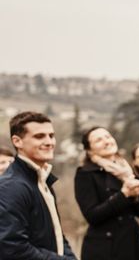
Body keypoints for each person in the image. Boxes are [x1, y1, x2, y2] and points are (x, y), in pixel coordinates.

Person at [0, 111, 77, 259]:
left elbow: (57, 235)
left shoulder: (42, 180)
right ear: (17, 141)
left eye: (51, 135)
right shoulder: (10, 187)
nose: (49, 142)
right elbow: (13, 248)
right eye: (39, 136)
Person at [75, 126, 139, 260]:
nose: (107, 141)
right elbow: (92, 216)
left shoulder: (126, 170)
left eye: (108, 136)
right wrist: (124, 194)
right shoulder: (85, 174)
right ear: (89, 150)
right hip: (105, 248)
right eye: (99, 140)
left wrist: (137, 196)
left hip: (133, 245)